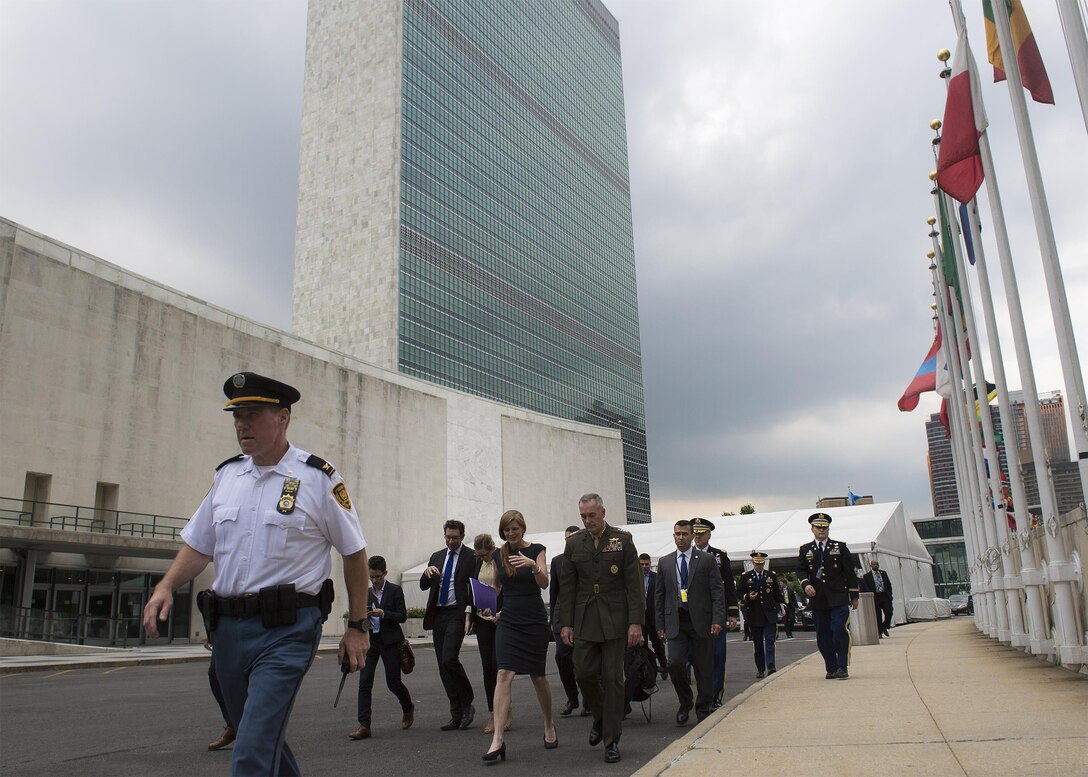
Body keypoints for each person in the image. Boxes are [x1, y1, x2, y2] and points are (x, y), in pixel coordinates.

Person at [142, 371, 370, 777]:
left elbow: (353, 552)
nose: (242, 424)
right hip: (228, 631)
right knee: (259, 738)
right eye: (237, 416)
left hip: (287, 630)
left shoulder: (317, 477)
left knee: (250, 751)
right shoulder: (227, 476)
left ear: (282, 418)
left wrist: (357, 625)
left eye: (252, 415)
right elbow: (198, 545)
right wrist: (166, 585)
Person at [559, 493, 643, 765]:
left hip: (616, 619)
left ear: (603, 512)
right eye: (583, 516)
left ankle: (611, 740)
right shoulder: (574, 544)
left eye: (591, 515)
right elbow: (568, 588)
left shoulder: (622, 540)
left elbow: (634, 585)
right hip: (585, 619)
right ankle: (600, 718)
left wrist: (635, 622)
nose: (587, 521)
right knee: (583, 673)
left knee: (613, 679)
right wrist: (566, 623)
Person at [483, 510, 557, 763]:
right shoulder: (497, 554)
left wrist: (533, 566)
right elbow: (496, 586)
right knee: (503, 674)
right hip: (509, 619)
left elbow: (544, 583)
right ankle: (498, 741)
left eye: (515, 529)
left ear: (523, 528)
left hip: (534, 619)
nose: (511, 534)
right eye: (506, 530)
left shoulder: (537, 549)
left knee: (538, 677)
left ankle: (548, 724)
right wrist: (488, 604)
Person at [654, 520, 726, 726]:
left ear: (693, 536)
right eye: (677, 534)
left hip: (701, 622)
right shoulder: (666, 562)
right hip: (676, 622)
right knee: (675, 664)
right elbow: (659, 596)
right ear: (673, 535)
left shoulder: (706, 560)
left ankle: (703, 707)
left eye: (685, 534)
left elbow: (716, 591)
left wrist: (717, 619)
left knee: (703, 668)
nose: (680, 537)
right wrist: (660, 625)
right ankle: (685, 701)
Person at [420, 519, 478, 731]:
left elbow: (474, 586)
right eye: (447, 537)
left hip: (457, 612)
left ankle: (467, 700)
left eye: (454, 537)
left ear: (462, 537)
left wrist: (470, 613)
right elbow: (424, 585)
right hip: (439, 613)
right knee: (442, 666)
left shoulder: (471, 557)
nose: (450, 541)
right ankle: (456, 713)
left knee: (449, 658)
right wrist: (427, 574)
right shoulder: (437, 556)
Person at [349, 556, 414, 740]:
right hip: (371, 642)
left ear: (385, 573)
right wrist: (364, 621)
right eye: (372, 577)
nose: (375, 580)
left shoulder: (395, 590)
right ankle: (364, 725)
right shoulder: (366, 593)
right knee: (365, 683)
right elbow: (359, 618)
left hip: (391, 642)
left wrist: (384, 614)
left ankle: (408, 706)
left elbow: (402, 616)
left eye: (378, 576)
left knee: (393, 682)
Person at [797, 512, 859, 680]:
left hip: (838, 597)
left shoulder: (839, 546)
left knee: (839, 630)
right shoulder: (806, 549)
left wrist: (854, 595)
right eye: (818, 527)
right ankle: (831, 667)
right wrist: (805, 584)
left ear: (828, 528)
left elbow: (849, 572)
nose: (822, 530)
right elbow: (801, 570)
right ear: (812, 529)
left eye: (824, 527)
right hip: (818, 599)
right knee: (823, 634)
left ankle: (842, 666)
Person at [689, 517, 739, 708]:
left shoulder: (719, 556)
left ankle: (715, 696)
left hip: (715, 613)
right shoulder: (687, 555)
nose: (698, 537)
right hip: (694, 615)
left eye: (702, 533)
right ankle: (700, 696)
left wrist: (732, 612)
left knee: (717, 655)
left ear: (709, 534)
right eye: (696, 533)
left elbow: (729, 586)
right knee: (694, 658)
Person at [470, 533, 509, 734]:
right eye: (479, 555)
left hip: (501, 617)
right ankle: (493, 713)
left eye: (485, 555)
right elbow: (473, 589)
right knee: (487, 668)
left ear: (492, 548)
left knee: (500, 666)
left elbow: (504, 586)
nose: (482, 558)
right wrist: (471, 613)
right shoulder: (478, 563)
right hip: (483, 618)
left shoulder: (502, 559)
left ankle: (505, 710)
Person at [549, 526, 587, 717]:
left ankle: (589, 700)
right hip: (560, 616)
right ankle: (572, 697)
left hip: (582, 616)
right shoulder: (557, 561)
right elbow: (554, 592)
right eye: (566, 539)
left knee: (583, 660)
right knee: (562, 657)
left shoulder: (585, 559)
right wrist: (553, 620)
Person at [736, 551, 784, 678]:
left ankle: (771, 665)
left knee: (769, 641)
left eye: (761, 564)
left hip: (769, 614)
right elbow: (739, 592)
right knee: (757, 644)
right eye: (757, 564)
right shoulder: (746, 576)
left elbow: (777, 594)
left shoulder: (771, 576)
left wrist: (782, 605)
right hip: (754, 615)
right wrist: (747, 597)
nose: (759, 566)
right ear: (753, 563)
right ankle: (761, 668)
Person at [638, 553, 669, 678]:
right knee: (642, 645)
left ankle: (664, 665)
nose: (644, 567)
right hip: (641, 618)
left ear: (650, 564)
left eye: (646, 564)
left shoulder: (657, 578)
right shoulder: (634, 578)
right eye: (642, 564)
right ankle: (653, 667)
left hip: (655, 616)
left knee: (658, 644)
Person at [204, 638, 236, 751]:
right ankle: (233, 724)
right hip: (225, 630)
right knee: (215, 673)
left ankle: (253, 727)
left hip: (257, 630)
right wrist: (210, 633)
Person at [862, 559, 894, 637]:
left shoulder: (883, 573)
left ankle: (884, 626)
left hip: (885, 596)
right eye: (874, 564)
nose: (875, 566)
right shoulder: (867, 576)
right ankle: (879, 632)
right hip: (875, 597)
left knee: (889, 612)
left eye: (876, 564)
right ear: (871, 566)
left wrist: (890, 594)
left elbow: (888, 584)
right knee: (877, 615)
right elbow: (866, 587)